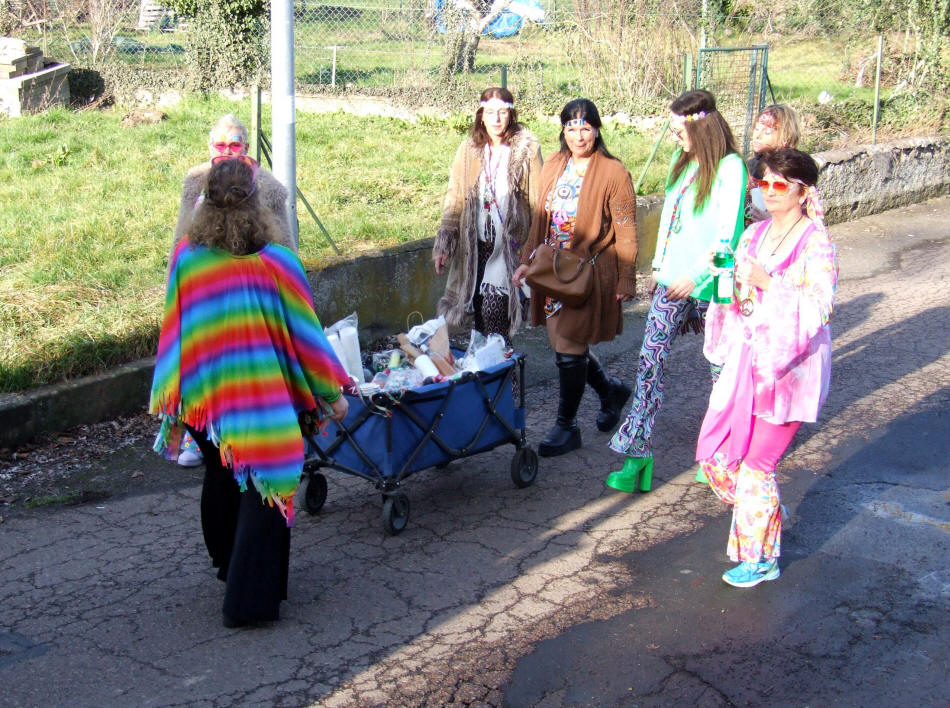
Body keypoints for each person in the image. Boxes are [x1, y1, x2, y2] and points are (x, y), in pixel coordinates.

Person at [149, 158, 349, 627]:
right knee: (265, 487)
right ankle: (248, 603)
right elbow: (306, 336)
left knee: (221, 478)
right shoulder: (279, 264)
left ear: (204, 203)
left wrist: (176, 396)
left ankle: (226, 564)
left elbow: (175, 329)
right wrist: (330, 393)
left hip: (204, 402)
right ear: (258, 202)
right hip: (263, 405)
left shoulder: (187, 259)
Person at [695, 148, 837, 587]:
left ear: (802, 191)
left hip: (790, 373)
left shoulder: (815, 242)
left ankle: (760, 558)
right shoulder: (753, 235)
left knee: (757, 467)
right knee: (717, 459)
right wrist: (724, 278)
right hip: (746, 364)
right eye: (763, 183)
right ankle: (764, 510)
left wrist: (766, 282)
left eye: (780, 184)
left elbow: (819, 310)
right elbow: (734, 298)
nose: (769, 192)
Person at [606, 89, 746, 492]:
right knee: (649, 363)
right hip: (672, 282)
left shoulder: (731, 167)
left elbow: (728, 236)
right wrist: (660, 268)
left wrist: (696, 277)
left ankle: (719, 455)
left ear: (700, 126)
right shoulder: (679, 162)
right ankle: (637, 456)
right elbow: (669, 220)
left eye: (677, 130)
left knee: (722, 372)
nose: (674, 138)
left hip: (712, 284)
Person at [512, 98, 638, 457]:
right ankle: (609, 391)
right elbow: (541, 219)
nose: (578, 135)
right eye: (571, 127)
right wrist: (526, 261)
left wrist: (626, 278)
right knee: (566, 345)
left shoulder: (614, 172)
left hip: (588, 273)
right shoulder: (554, 164)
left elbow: (626, 230)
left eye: (585, 127)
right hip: (552, 273)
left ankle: (567, 426)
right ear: (562, 130)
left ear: (597, 129)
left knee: (568, 345)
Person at [172, 113, 295, 469]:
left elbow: (285, 244)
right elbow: (181, 236)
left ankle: (250, 434)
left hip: (252, 296)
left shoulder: (269, 187)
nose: (227, 151)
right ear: (210, 147)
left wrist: (288, 287)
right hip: (208, 295)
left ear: (246, 147)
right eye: (220, 145)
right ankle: (204, 435)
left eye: (235, 145)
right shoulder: (195, 182)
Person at [433, 87, 543, 342]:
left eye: (503, 112)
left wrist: (531, 249)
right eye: (490, 112)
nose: (496, 119)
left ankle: (506, 378)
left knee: (495, 312)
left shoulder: (526, 150)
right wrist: (445, 245)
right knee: (480, 315)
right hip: (475, 247)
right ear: (481, 115)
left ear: (511, 115)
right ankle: (492, 375)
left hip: (509, 248)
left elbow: (539, 203)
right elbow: (455, 197)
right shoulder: (469, 150)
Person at [746, 104, 802, 224]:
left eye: (767, 132)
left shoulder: (792, 169)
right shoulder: (751, 165)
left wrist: (770, 221)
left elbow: (802, 213)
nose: (757, 136)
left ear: (785, 137)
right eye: (756, 128)